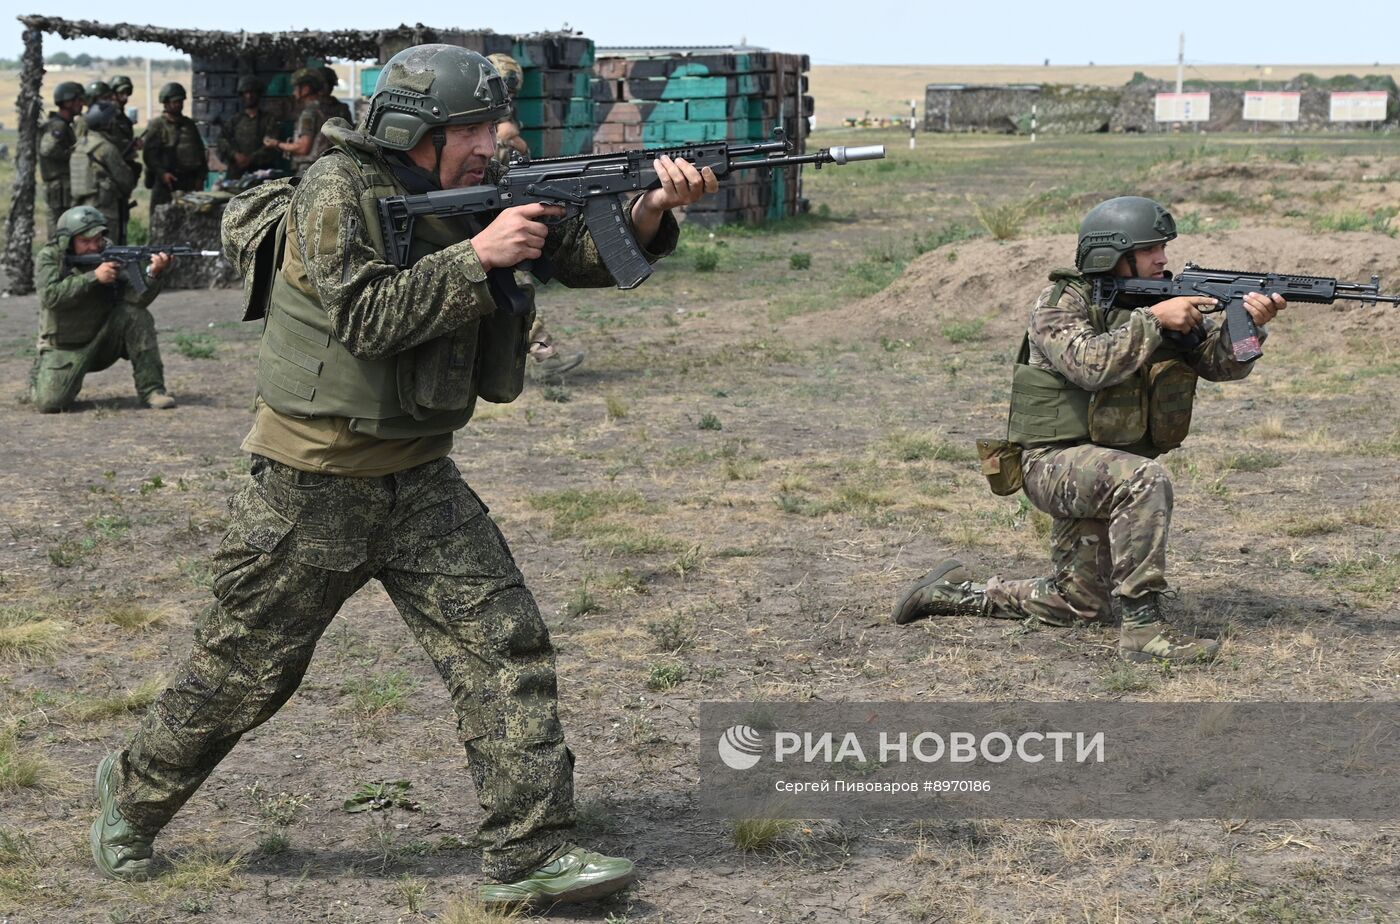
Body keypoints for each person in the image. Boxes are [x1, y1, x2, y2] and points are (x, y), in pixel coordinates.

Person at [92, 43, 717, 908]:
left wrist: (649, 206)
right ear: (417, 132)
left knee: (505, 646)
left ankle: (530, 852)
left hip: (420, 476)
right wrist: (482, 256)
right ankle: (128, 798)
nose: (491, 146)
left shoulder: (476, 181)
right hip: (315, 479)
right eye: (471, 132)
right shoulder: (337, 191)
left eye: (491, 130)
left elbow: (580, 250)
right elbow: (366, 317)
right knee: (246, 670)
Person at [892, 196, 1286, 664]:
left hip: (1099, 464)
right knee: (1145, 479)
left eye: (1163, 248)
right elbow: (1089, 365)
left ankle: (950, 594)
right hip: (1052, 464)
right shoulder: (1060, 304)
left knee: (1080, 605)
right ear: (1112, 255)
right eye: (1150, 249)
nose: (1163, 258)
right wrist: (1154, 322)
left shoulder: (1159, 301)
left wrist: (1248, 328)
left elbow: (1216, 367)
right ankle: (1144, 630)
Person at [486, 52, 585, 384]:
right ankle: (545, 357)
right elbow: (509, 134)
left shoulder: (483, 107)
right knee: (514, 284)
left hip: (497, 206)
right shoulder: (496, 113)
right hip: (493, 208)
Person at [29, 205, 175, 413]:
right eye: (85, 241)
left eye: (97, 239)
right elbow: (51, 297)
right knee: (50, 404)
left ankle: (152, 390)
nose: (93, 246)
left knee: (136, 315)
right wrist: (94, 278)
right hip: (66, 347)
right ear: (67, 241)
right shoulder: (50, 257)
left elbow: (136, 299)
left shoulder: (109, 253)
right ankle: (38, 376)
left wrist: (154, 273)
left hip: (105, 338)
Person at [71, 101, 138, 244]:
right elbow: (126, 181)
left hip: (79, 210)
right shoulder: (106, 148)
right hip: (104, 211)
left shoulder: (79, 146)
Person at [141, 82, 207, 224]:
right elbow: (149, 155)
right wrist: (162, 173)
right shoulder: (157, 125)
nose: (179, 104)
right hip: (166, 184)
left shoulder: (189, 125)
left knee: (190, 222)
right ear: (165, 103)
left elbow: (200, 153)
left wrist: (200, 178)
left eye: (181, 101)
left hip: (188, 183)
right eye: (175, 101)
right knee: (162, 221)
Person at [38, 81, 84, 239]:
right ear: (67, 102)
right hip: (59, 190)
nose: (81, 104)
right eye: (78, 100)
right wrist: (73, 154)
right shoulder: (59, 126)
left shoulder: (66, 125)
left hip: (64, 189)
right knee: (58, 237)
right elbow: (47, 149)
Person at [215, 75, 282, 180]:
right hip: (236, 175)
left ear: (259, 94)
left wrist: (250, 159)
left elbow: (271, 145)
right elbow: (221, 141)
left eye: (252, 92)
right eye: (246, 93)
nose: (249, 96)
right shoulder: (235, 120)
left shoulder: (268, 120)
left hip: (261, 173)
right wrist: (235, 155)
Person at [265, 68, 327, 176]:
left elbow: (303, 148)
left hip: (308, 169)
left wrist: (276, 143)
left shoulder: (309, 113)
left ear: (306, 89)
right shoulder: (321, 110)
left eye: (296, 88)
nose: (293, 93)